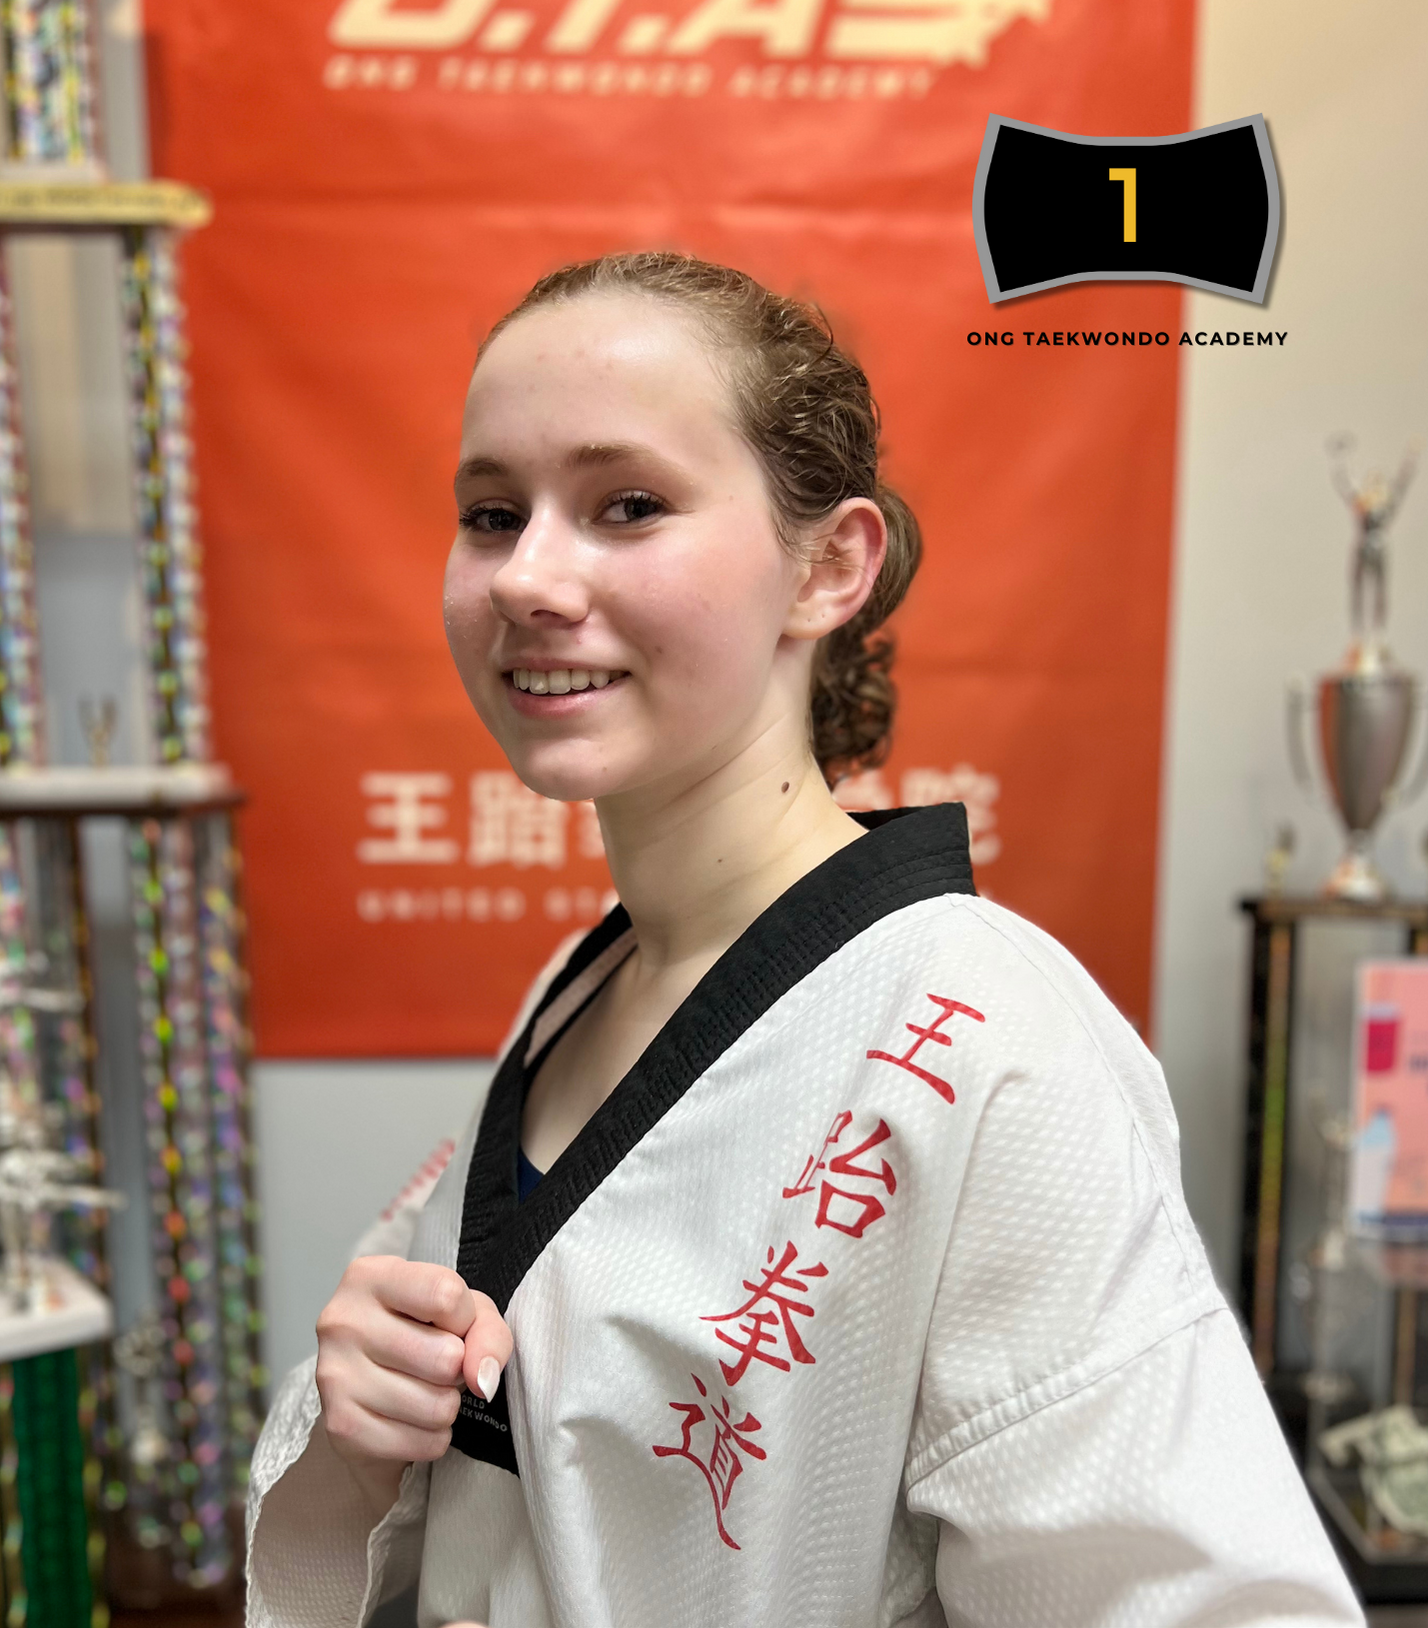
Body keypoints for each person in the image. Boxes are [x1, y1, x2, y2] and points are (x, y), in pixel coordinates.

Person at [245, 252, 1363, 1628]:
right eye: (491, 513)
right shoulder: (587, 983)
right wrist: (366, 1428)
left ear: (829, 565)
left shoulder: (982, 1039)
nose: (529, 576)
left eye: (628, 506)